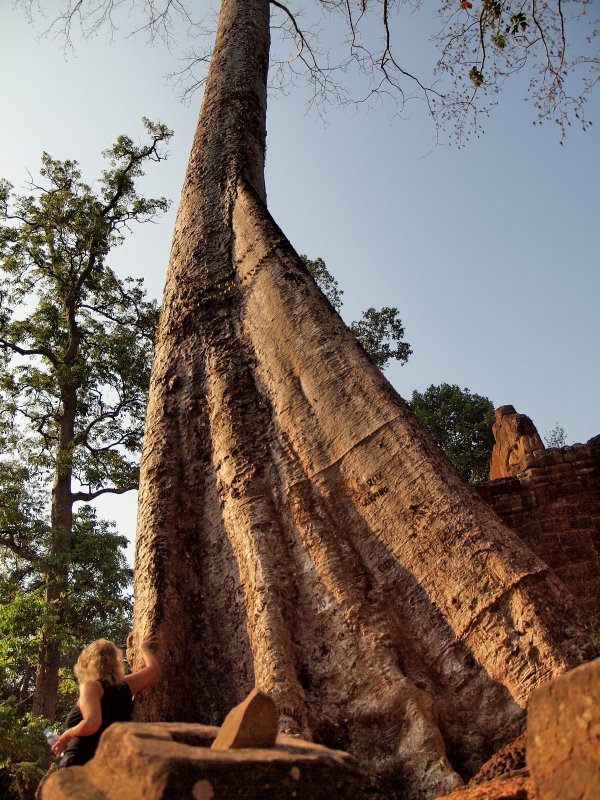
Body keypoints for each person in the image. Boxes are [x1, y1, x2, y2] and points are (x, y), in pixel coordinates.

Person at [50, 632, 159, 766]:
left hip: (80, 762)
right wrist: (144, 649)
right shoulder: (127, 685)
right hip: (109, 764)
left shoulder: (91, 687)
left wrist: (67, 735)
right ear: (115, 662)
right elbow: (153, 670)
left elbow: (92, 723)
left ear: (88, 663)